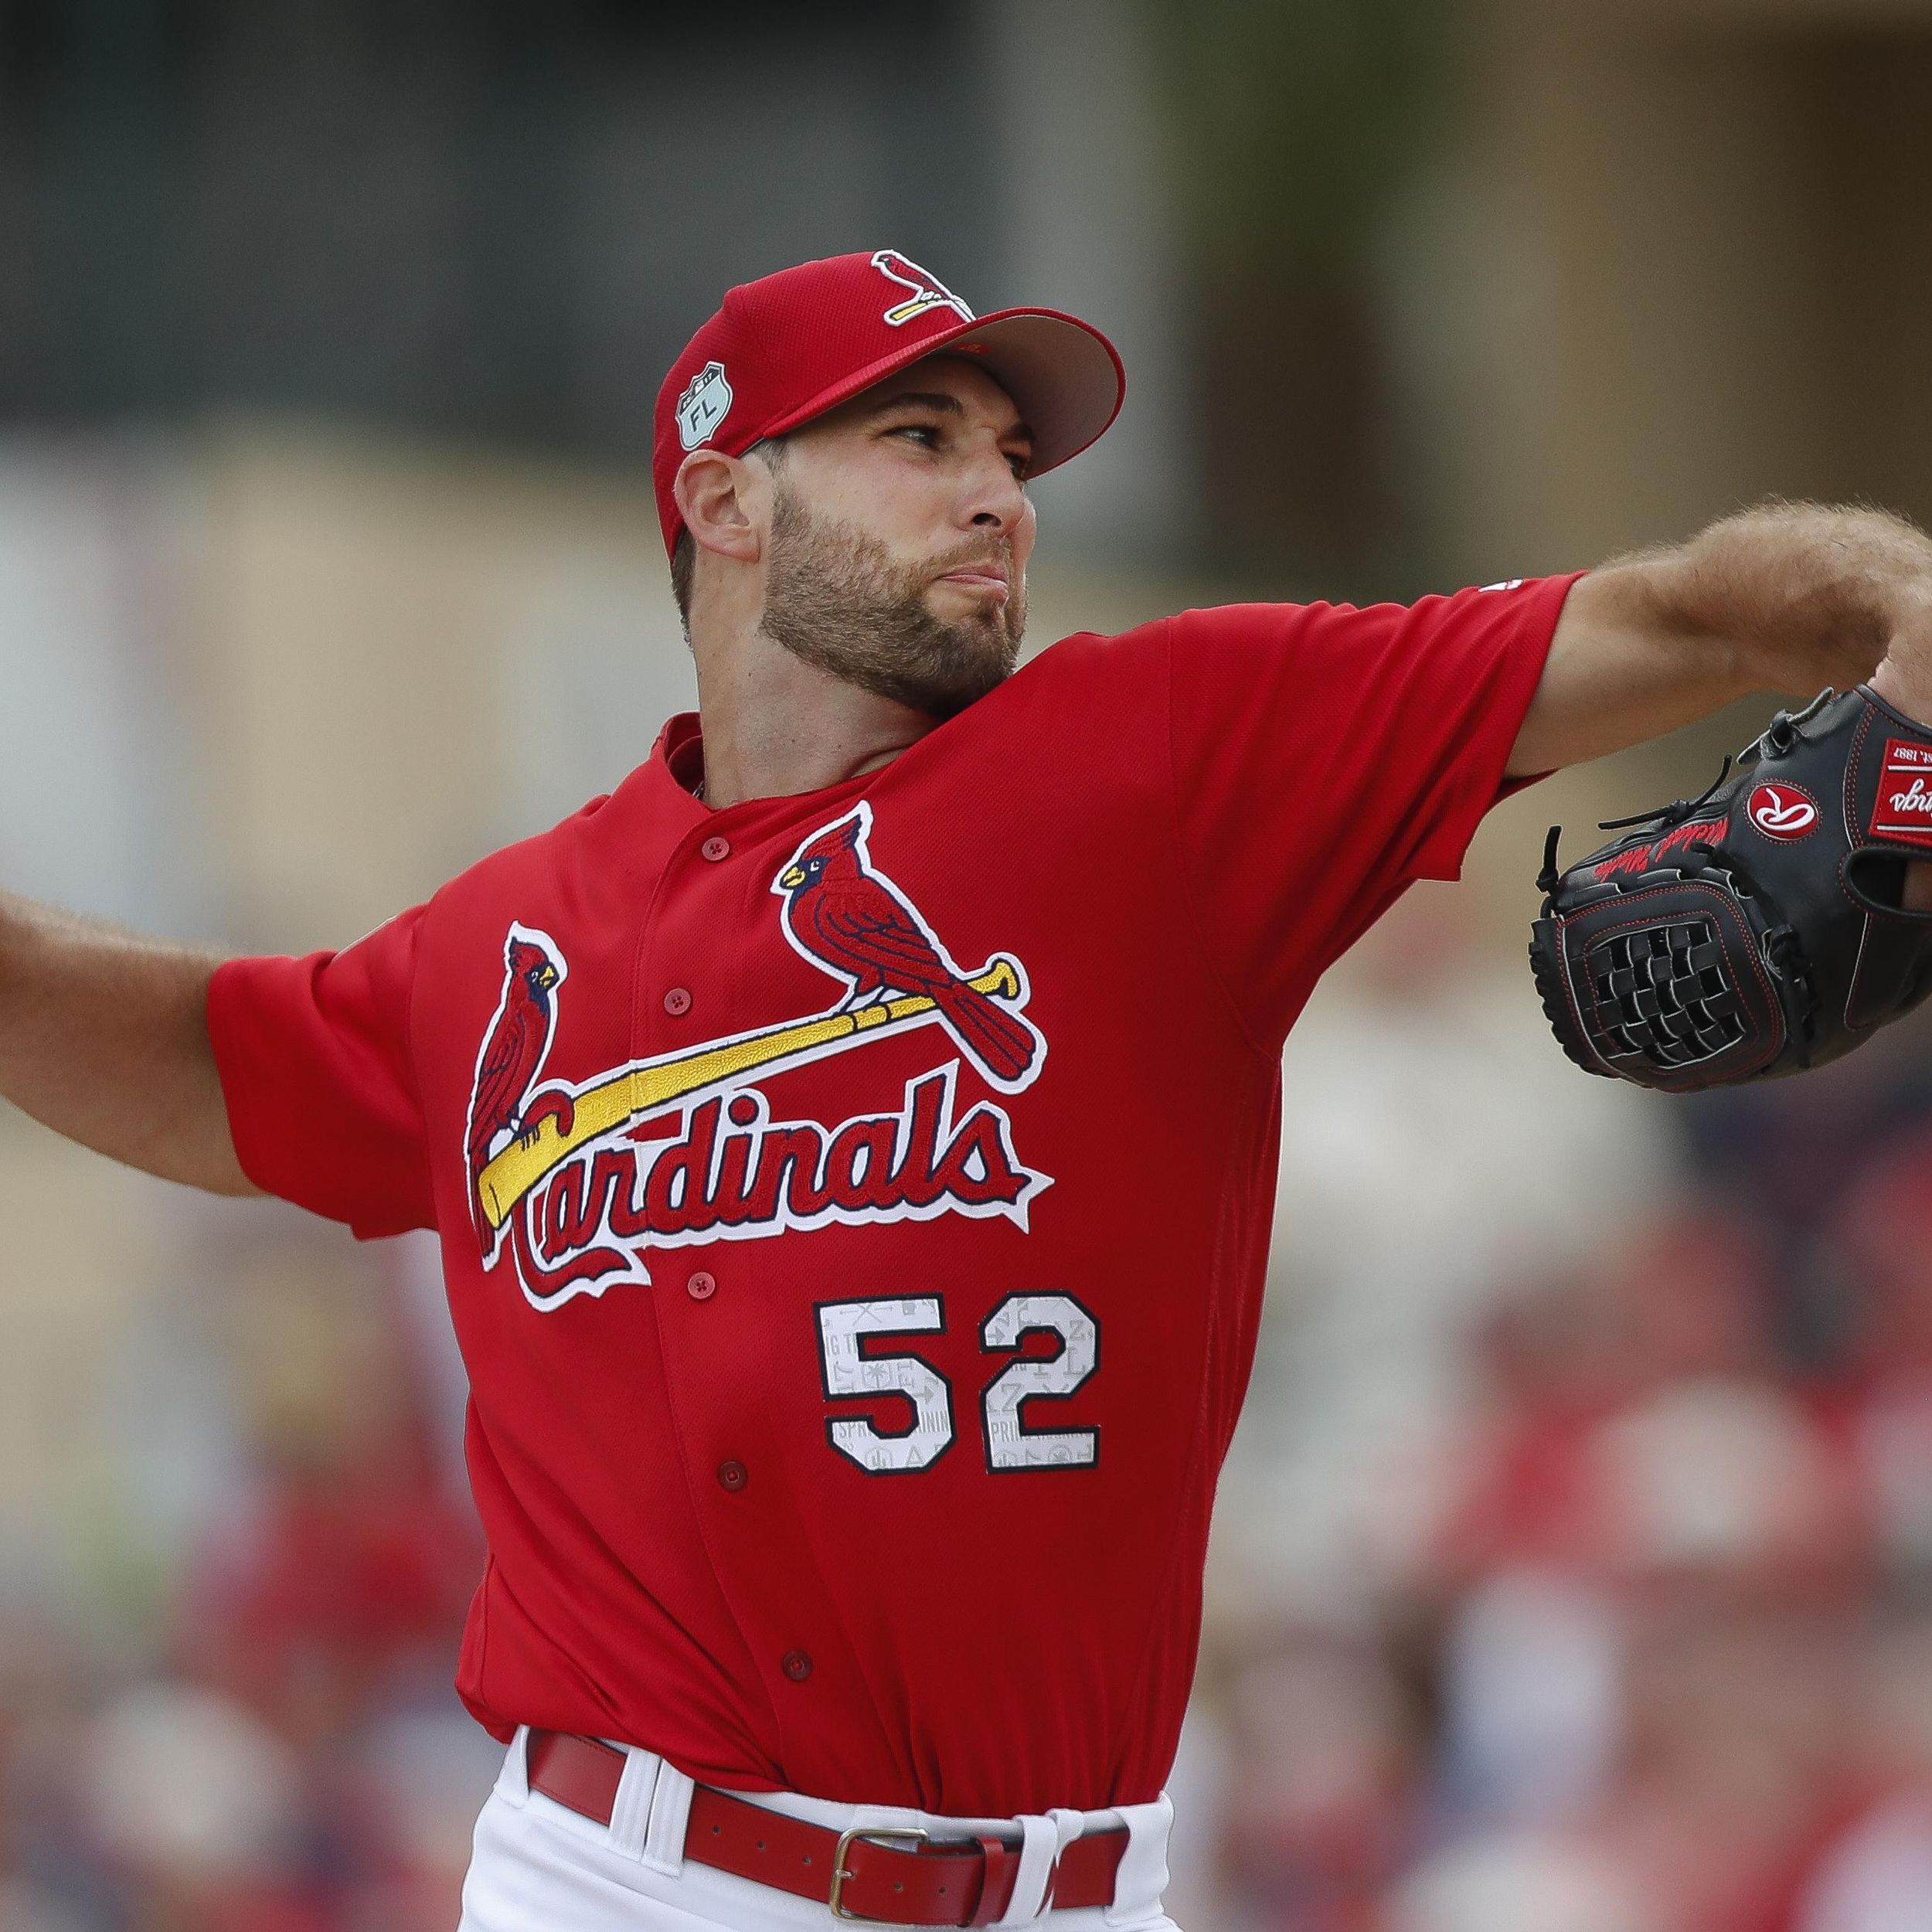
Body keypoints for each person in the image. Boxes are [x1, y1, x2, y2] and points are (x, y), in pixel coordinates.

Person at [5, 247, 1932, 1932]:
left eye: (1009, 456)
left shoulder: (1162, 762)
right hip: (623, 1878)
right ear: (722, 496)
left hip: (1074, 1881)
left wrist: (1907, 628)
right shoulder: (510, 946)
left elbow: (1688, 613)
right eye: (917, 439)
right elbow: (193, 1057)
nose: (995, 496)